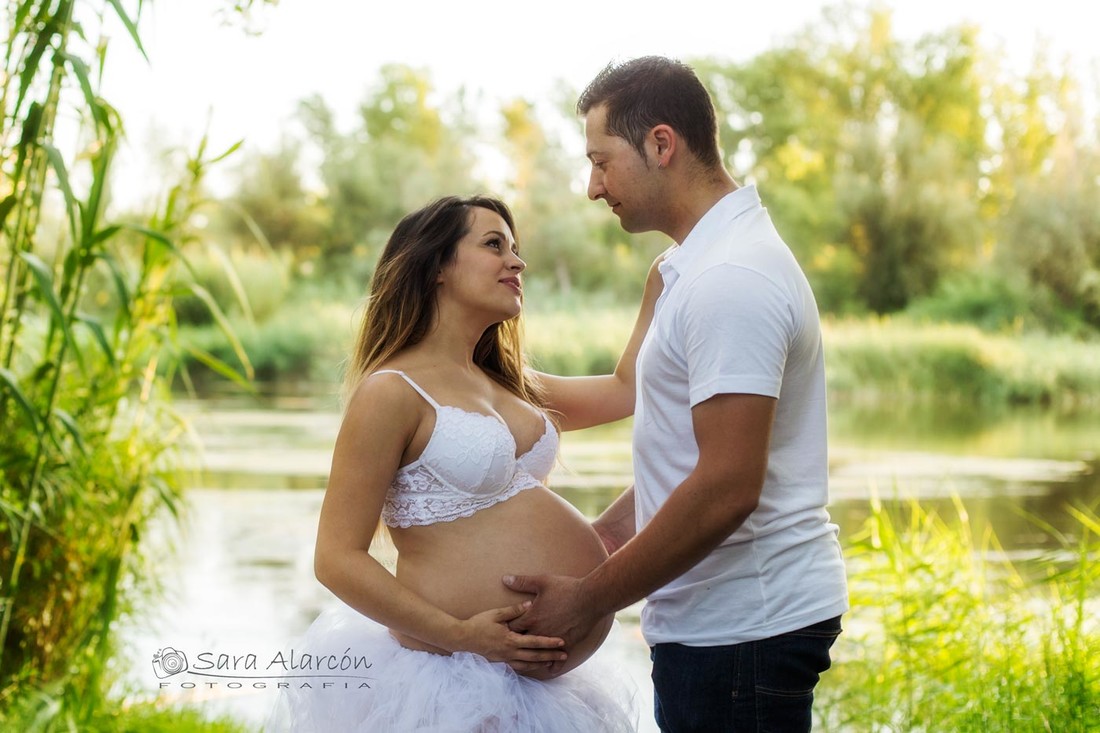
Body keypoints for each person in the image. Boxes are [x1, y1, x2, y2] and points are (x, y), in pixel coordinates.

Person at [503, 56, 850, 732]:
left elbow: (726, 485)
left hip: (743, 631)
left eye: (602, 161)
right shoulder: (695, 267)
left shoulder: (732, 278)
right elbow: (692, 456)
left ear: (662, 144)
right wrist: (604, 535)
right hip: (723, 629)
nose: (592, 188)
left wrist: (588, 599)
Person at [266, 194, 661, 732]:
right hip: (447, 680)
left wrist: (659, 285)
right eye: (494, 245)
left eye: (516, 249)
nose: (517, 262)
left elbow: (627, 389)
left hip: (538, 692)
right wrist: (461, 636)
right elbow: (336, 559)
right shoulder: (392, 392)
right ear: (436, 269)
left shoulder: (512, 383)